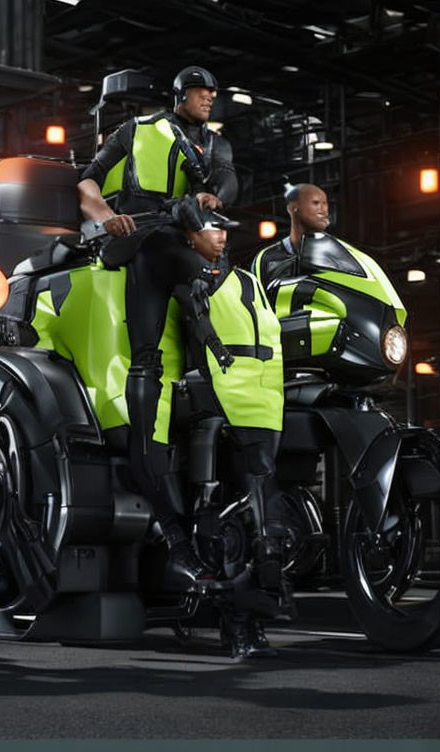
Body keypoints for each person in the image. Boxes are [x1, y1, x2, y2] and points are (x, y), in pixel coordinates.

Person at [76, 65, 239, 589]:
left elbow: (229, 181)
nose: (209, 97)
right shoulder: (137, 129)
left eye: (213, 92)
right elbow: (86, 178)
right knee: (148, 357)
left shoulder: (214, 148)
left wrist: (215, 199)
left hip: (191, 242)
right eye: (200, 91)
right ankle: (173, 525)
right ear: (179, 94)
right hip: (146, 243)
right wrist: (105, 214)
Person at [179, 218, 293, 658]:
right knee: (247, 513)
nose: (222, 235)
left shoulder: (248, 279)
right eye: (211, 228)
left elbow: (271, 337)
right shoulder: (192, 280)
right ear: (191, 235)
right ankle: (239, 623)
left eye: (225, 228)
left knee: (260, 508)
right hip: (226, 398)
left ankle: (249, 620)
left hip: (266, 400)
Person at [250, 183, 330, 286]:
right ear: (292, 208)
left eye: (325, 203)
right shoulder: (267, 258)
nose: (324, 210)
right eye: (316, 203)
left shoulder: (339, 255)